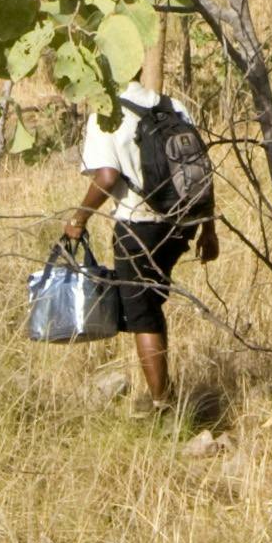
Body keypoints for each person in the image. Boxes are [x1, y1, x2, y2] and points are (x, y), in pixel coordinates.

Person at [67, 72, 194, 413]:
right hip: (182, 224)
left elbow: (106, 177)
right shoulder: (173, 106)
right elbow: (199, 170)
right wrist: (207, 229)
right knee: (151, 305)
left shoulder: (106, 116)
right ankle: (166, 391)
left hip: (138, 225)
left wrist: (79, 218)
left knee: (142, 317)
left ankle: (162, 406)